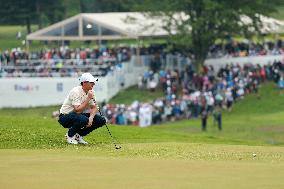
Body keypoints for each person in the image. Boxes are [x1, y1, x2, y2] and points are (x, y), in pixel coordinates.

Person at [58, 72, 106, 144]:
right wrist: (88, 99)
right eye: (91, 82)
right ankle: (70, 135)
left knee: (101, 120)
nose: (94, 84)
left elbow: (95, 107)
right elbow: (77, 110)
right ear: (84, 83)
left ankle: (78, 135)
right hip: (65, 117)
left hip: (77, 115)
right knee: (84, 119)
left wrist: (91, 118)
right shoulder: (75, 91)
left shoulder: (91, 92)